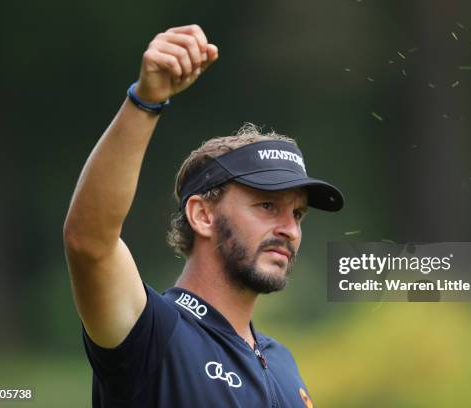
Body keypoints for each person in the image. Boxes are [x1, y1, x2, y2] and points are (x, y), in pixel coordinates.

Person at [63, 24, 343, 408]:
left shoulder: (282, 362)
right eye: (267, 206)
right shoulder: (152, 332)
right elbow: (88, 242)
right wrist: (145, 102)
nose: (289, 229)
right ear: (202, 215)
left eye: (298, 213)